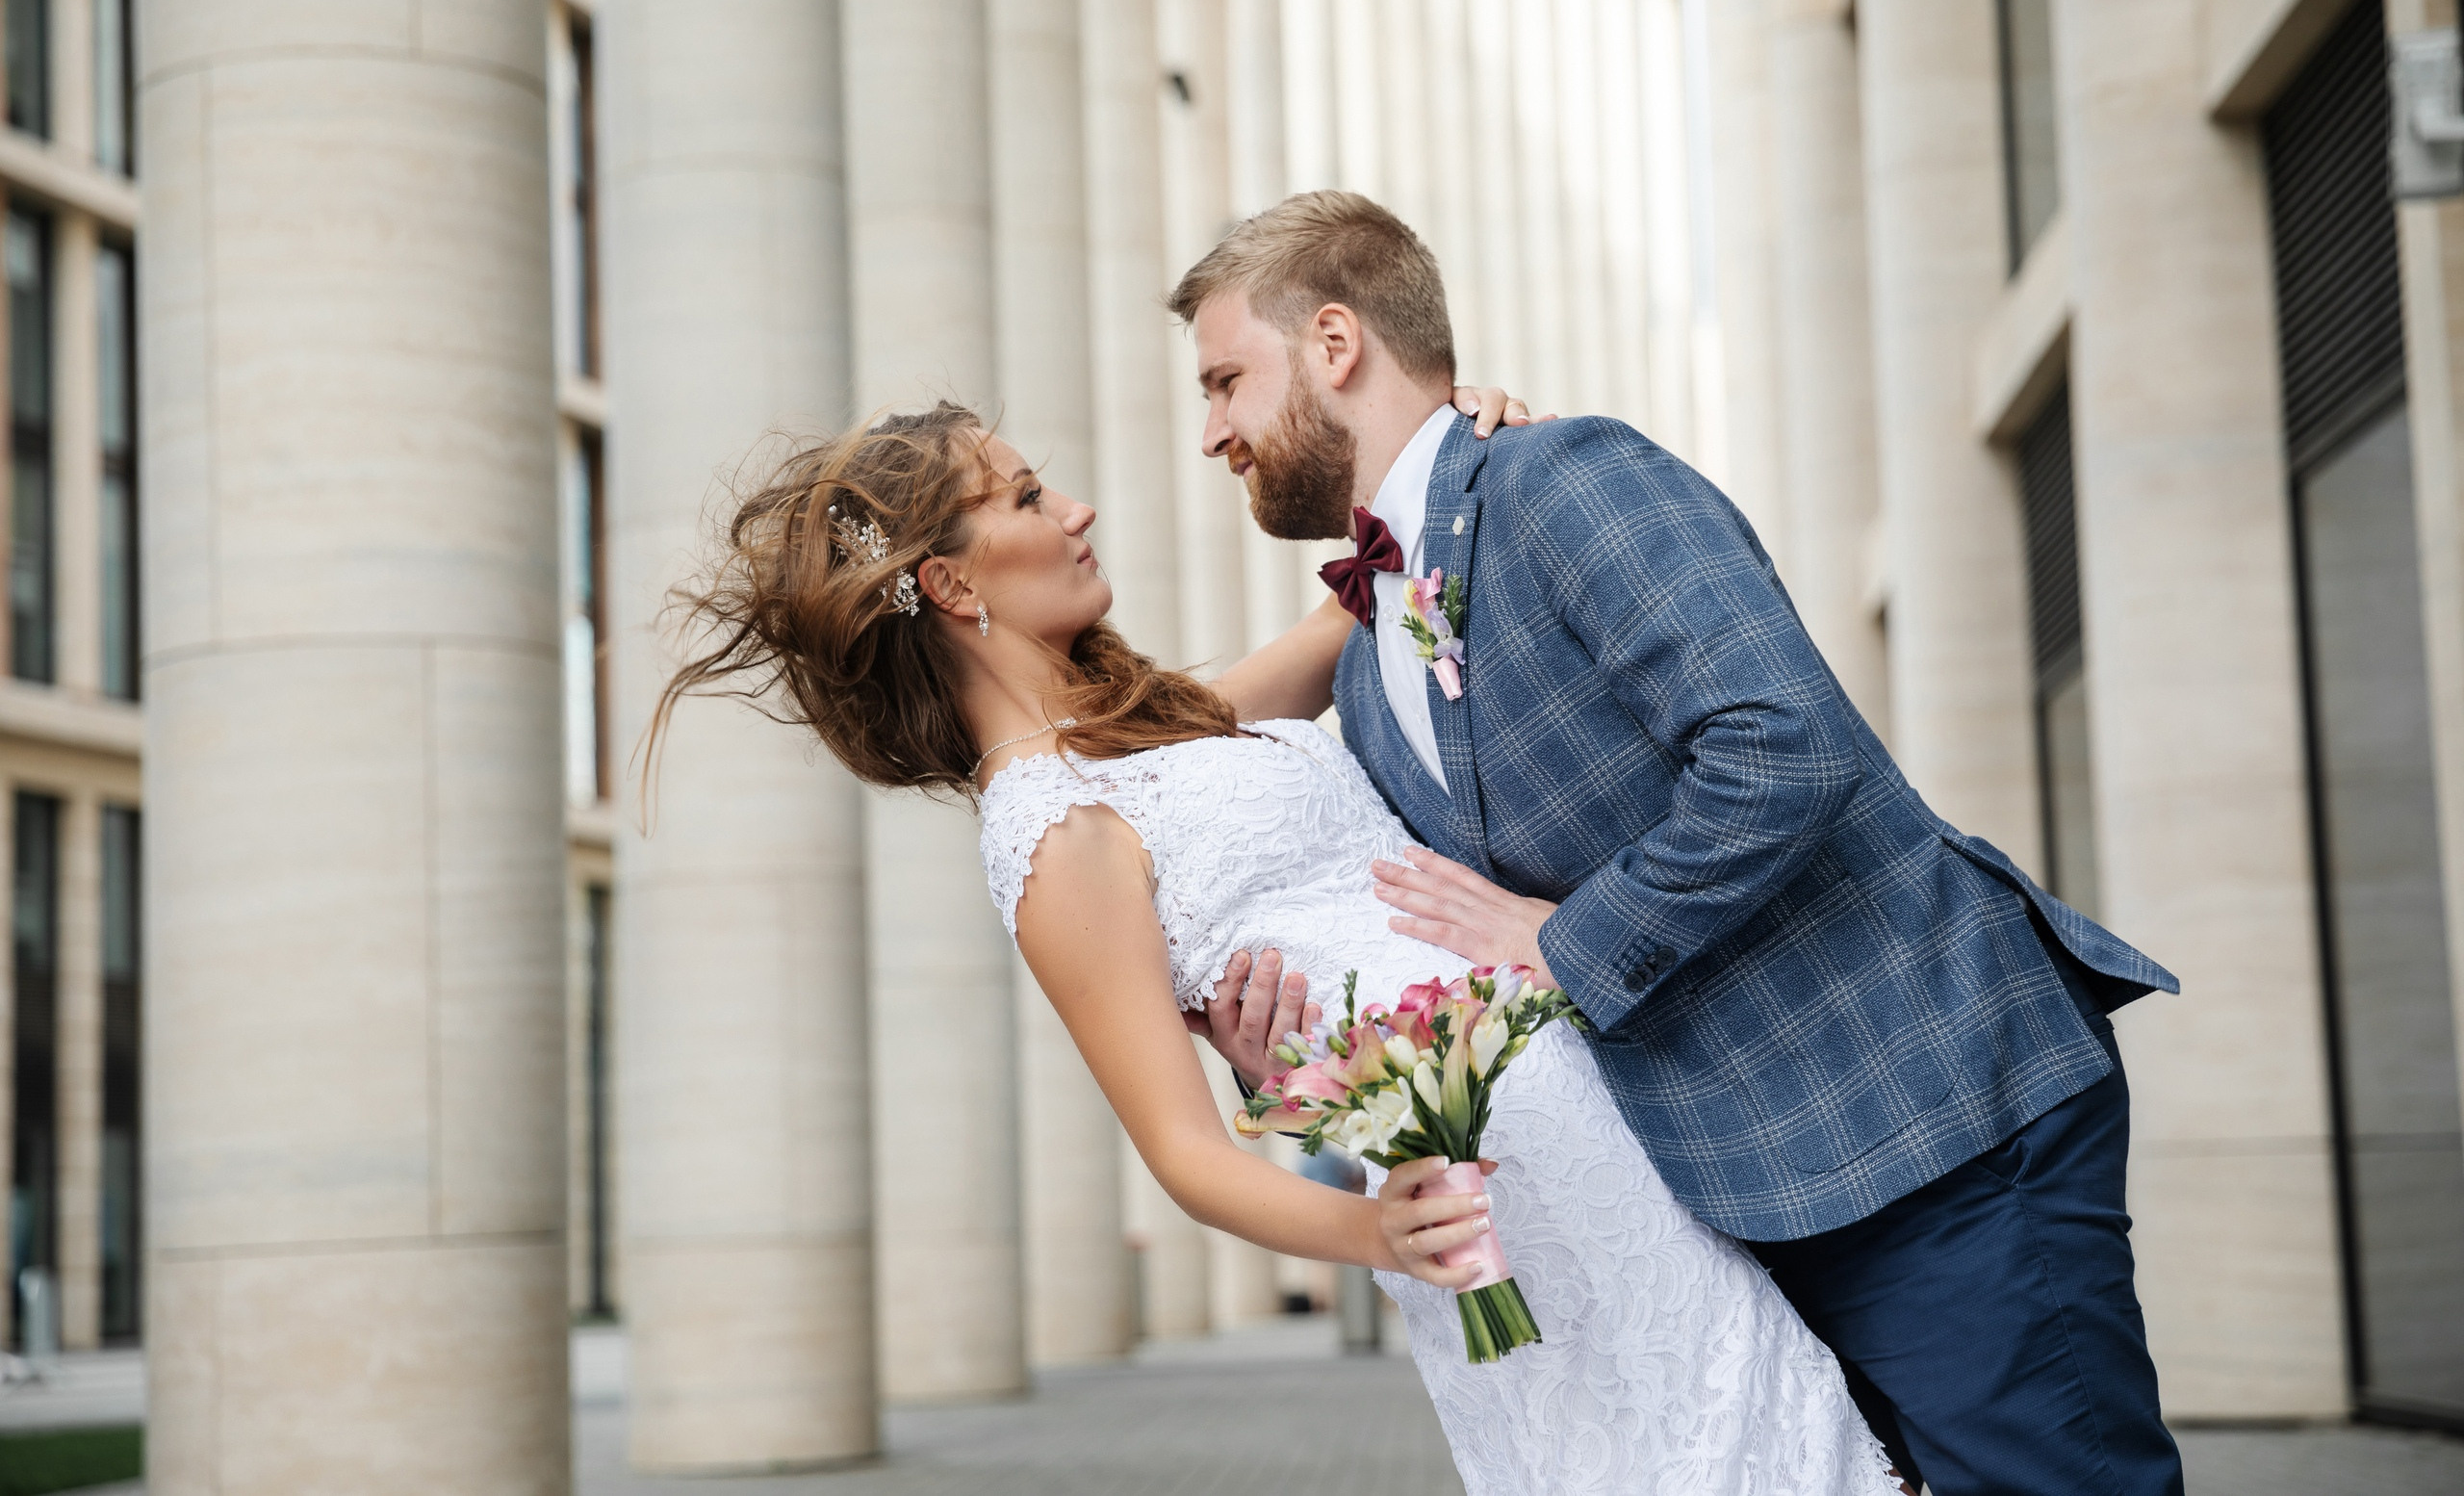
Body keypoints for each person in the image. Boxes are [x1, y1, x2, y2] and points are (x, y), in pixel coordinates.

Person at [654, 395, 1907, 1495]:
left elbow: (1363, 603)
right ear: (953, 584)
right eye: (1031, 495)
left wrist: (1457, 452)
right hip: (1476, 1194)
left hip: (1592, 1124)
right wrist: (1379, 1234)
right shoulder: (1047, 827)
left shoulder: (1148, 735)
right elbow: (1183, 1149)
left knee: (1772, 1423)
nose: (1078, 508)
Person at [1172, 192, 2186, 1496]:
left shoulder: (1565, 477)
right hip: (1733, 1197)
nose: (1212, 433)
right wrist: (1310, 1070)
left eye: (1224, 382)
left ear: (1332, 341)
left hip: (1931, 1125)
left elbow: (1782, 748)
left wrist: (1567, 940)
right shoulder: (1366, 669)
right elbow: (1447, 936)